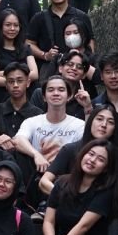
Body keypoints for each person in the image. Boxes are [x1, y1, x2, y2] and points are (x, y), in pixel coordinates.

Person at [13, 75, 85, 210]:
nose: (56, 93)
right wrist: (36, 154)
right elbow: (17, 140)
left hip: (65, 178)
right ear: (44, 97)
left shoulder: (79, 125)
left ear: (69, 96)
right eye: (51, 90)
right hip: (36, 174)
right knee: (21, 154)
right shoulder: (32, 122)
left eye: (61, 90)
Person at [27, 0, 95, 77]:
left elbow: (90, 42)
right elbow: (29, 43)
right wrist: (45, 55)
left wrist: (87, 62)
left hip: (77, 70)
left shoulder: (81, 16)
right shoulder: (39, 18)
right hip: (49, 71)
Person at [0, 8, 39, 103]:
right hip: (3, 98)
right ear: (0, 26)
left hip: (27, 97)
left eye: (16, 25)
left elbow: (35, 74)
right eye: (8, 25)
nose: (12, 29)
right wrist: (22, 79)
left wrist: (5, 74)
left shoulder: (26, 48)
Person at [0, 62, 43, 152]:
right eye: (11, 81)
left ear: (28, 82)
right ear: (6, 84)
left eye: (20, 81)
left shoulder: (38, 115)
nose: (15, 85)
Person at [29, 49, 96, 119]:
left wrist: (87, 107)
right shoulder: (41, 93)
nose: (74, 68)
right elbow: (31, 121)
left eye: (79, 67)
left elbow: (89, 125)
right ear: (60, 68)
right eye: (70, 64)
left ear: (84, 75)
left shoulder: (84, 98)